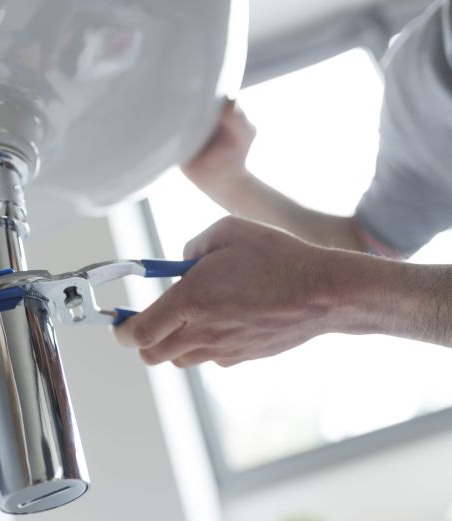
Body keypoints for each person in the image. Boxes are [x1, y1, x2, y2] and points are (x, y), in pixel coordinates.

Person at [115, 0, 452, 368]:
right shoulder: (425, 72)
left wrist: (329, 293)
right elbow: (368, 250)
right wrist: (229, 181)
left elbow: (358, 270)